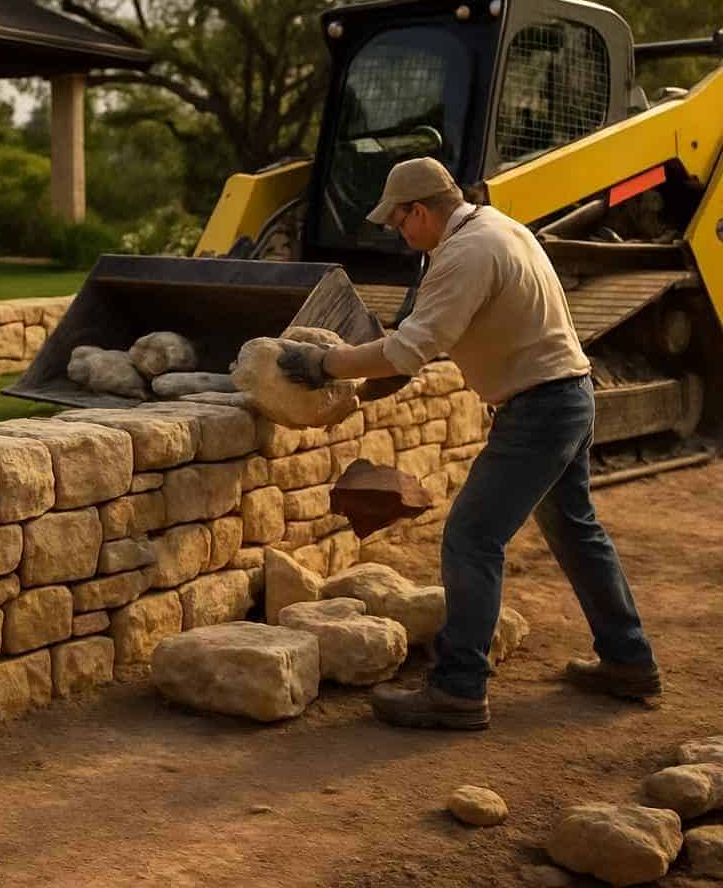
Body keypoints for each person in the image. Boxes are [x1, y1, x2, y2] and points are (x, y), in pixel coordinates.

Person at [277, 157, 661, 730]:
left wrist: (325, 364)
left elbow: (410, 349)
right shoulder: (497, 228)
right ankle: (628, 661)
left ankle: (458, 689)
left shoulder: (466, 252)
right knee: (576, 530)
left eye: (400, 223)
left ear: (421, 210)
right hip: (569, 395)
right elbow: (417, 345)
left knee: (471, 537)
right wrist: (363, 393)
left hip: (540, 409)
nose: (400, 235)